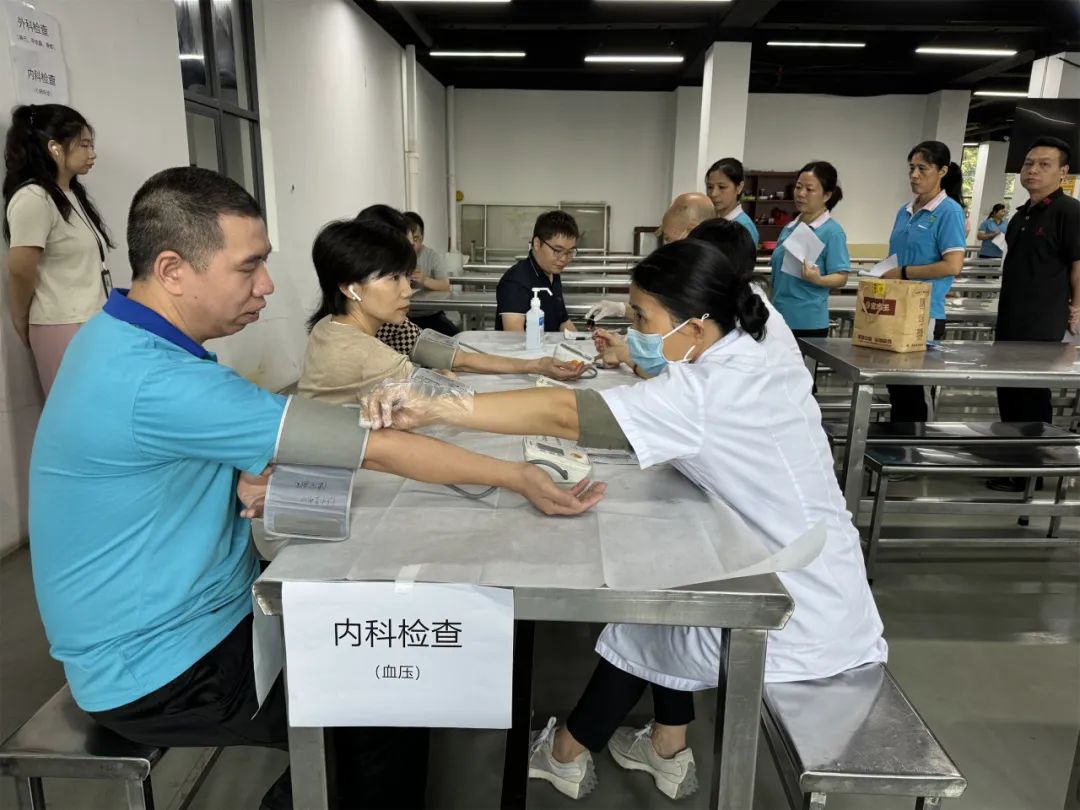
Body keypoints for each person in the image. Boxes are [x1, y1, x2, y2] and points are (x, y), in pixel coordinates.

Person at [28, 167, 604, 810]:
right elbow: (377, 446)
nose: (268, 285)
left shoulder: (120, 340)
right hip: (163, 662)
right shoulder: (158, 379)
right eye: (249, 267)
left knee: (388, 640)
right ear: (172, 270)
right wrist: (515, 475)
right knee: (390, 695)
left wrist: (236, 478)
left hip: (194, 614)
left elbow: (160, 462)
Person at [363, 239, 886, 802]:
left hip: (796, 607)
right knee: (660, 600)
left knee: (652, 615)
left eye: (641, 318)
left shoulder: (707, 391)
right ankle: (659, 743)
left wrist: (439, 405)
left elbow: (565, 413)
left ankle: (569, 752)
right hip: (817, 567)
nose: (634, 329)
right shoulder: (755, 333)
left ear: (696, 325)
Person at [299, 218, 590, 403]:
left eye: (406, 277)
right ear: (350, 287)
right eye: (393, 278)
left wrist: (536, 365)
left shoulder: (346, 325)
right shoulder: (361, 351)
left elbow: (457, 358)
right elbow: (454, 399)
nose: (407, 290)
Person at [4, 103, 113, 395]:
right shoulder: (33, 197)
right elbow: (20, 268)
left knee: (98, 407)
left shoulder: (71, 194)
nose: (92, 154)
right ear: (54, 148)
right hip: (62, 324)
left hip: (91, 320)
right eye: (84, 145)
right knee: (74, 410)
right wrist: (21, 318)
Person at [990, 136, 1080, 492]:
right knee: (1009, 394)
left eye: (1044, 164)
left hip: (1042, 324)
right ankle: (1014, 463)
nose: (1033, 170)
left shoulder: (1069, 212)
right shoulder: (1021, 214)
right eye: (1029, 163)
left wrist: (1077, 308)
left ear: (1063, 172)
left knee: (1031, 396)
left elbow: (1078, 265)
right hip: (1011, 319)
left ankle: (1031, 471)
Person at [879, 140, 967, 422]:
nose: (914, 175)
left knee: (913, 388)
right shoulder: (905, 210)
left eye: (923, 169)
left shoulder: (949, 212)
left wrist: (904, 272)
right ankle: (899, 444)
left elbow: (953, 265)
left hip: (924, 313)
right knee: (896, 386)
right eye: (911, 168)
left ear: (942, 171)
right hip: (897, 307)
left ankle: (915, 443)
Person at [584, 193, 715, 325]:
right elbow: (660, 313)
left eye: (668, 239)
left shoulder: (705, 276)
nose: (667, 246)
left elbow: (672, 323)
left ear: (691, 231)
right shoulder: (688, 267)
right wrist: (621, 309)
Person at [770, 161, 851, 338]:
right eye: (798, 187)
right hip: (779, 317)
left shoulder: (832, 232)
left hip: (807, 322)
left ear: (826, 195)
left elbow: (841, 277)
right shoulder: (790, 227)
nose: (801, 194)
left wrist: (818, 279)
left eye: (809, 189)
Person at [497, 210, 578, 333]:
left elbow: (563, 322)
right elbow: (514, 336)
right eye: (557, 250)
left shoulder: (552, 272)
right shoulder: (515, 282)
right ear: (537, 244)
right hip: (527, 346)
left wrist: (584, 341)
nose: (564, 259)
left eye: (570, 252)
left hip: (548, 344)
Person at [403, 210, 459, 337]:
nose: (411, 244)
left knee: (455, 338)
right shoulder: (394, 258)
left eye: (416, 239)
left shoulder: (431, 256)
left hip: (431, 315)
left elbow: (445, 286)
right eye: (407, 239)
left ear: (422, 237)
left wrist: (425, 280)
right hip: (404, 316)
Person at [704, 157, 759, 247]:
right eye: (710, 187)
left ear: (739, 187)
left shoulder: (743, 227)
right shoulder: (712, 220)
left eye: (722, 187)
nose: (713, 194)